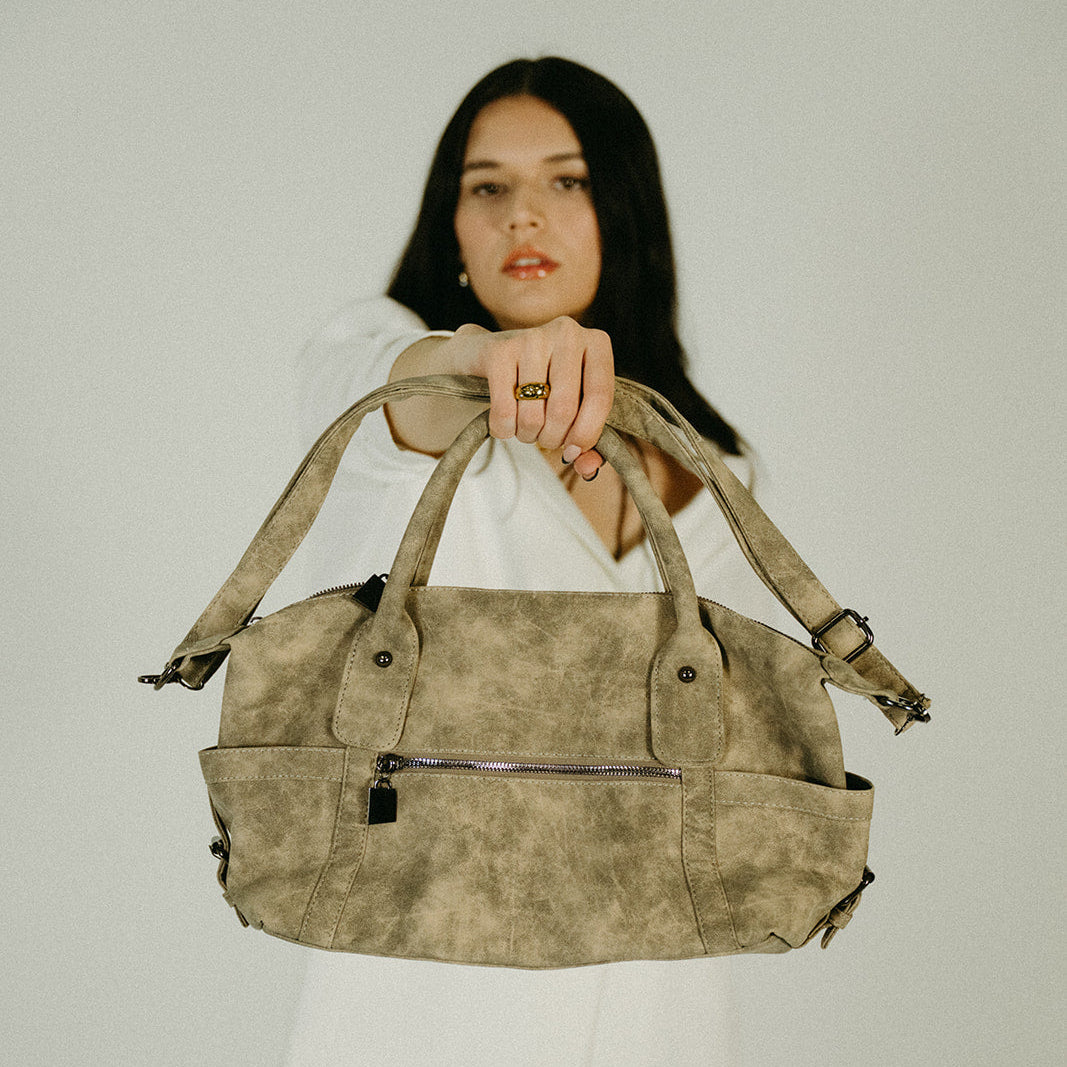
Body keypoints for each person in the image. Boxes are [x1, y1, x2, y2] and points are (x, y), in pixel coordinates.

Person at [286, 56, 765, 1067]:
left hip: (661, 986)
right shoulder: (391, 365)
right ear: (450, 229)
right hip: (435, 983)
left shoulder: (715, 473)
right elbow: (380, 398)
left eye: (567, 180)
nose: (522, 217)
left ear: (622, 213)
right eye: (486, 187)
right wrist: (471, 358)